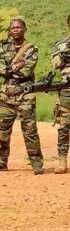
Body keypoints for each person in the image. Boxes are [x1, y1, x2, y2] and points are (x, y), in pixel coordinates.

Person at [0, 18, 43, 174]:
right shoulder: (4, 48)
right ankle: (1, 162)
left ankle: (37, 164)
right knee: (3, 131)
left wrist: (8, 69)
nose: (16, 30)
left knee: (30, 131)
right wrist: (15, 67)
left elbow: (27, 71)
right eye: (13, 28)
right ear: (10, 31)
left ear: (25, 29)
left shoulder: (31, 49)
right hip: (7, 95)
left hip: (26, 95)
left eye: (19, 27)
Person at [50, 15, 70, 174]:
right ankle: (62, 161)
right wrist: (65, 53)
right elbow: (54, 64)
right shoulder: (61, 45)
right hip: (67, 90)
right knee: (64, 126)